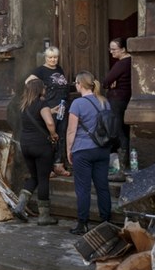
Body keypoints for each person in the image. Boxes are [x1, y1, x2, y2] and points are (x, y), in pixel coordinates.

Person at [66, 71, 112, 235]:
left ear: (79, 84)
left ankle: (82, 224)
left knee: (83, 189)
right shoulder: (105, 102)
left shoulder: (77, 103)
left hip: (82, 150)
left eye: (76, 84)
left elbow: (71, 130)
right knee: (103, 187)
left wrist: (68, 150)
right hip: (102, 150)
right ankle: (106, 222)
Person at [14, 79, 59, 225]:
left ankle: (20, 207)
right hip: (40, 145)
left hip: (26, 145)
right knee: (43, 178)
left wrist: (51, 111)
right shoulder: (42, 103)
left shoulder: (24, 105)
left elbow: (36, 115)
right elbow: (50, 123)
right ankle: (44, 216)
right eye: (44, 86)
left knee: (34, 176)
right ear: (40, 89)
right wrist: (53, 134)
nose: (45, 88)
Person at [25, 46, 70, 178]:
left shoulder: (59, 69)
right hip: (49, 107)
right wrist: (39, 97)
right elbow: (28, 82)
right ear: (45, 58)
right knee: (49, 135)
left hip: (62, 106)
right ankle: (47, 166)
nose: (53, 60)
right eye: (50, 57)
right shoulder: (40, 70)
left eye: (55, 57)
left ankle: (58, 165)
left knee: (61, 134)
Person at [103, 37, 132, 176]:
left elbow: (106, 81)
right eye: (110, 49)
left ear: (123, 49)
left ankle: (122, 168)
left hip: (117, 99)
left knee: (118, 130)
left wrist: (110, 82)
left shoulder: (122, 63)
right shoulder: (130, 62)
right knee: (121, 129)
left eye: (114, 49)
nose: (111, 52)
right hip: (124, 98)